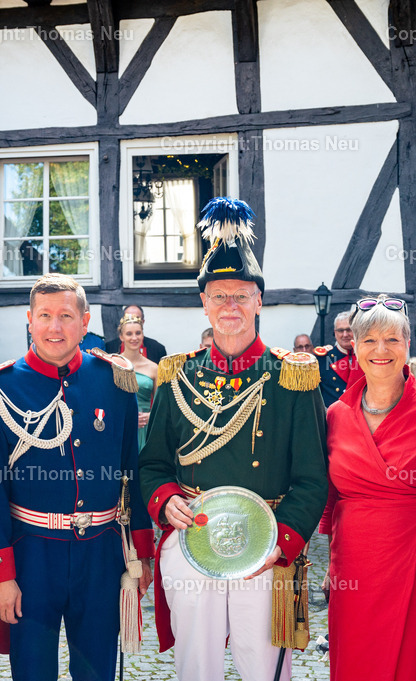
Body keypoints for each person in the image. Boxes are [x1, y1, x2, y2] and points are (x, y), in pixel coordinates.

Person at [140, 197, 328, 681]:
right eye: (219, 295)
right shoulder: (177, 376)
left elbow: (312, 477)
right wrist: (164, 502)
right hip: (191, 539)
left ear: (259, 301)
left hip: (266, 552)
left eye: (241, 295)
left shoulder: (293, 377)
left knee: (265, 672)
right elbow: (153, 465)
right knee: (195, 670)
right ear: (203, 302)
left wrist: (280, 543)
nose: (230, 305)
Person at [0, 273, 153, 681]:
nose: (55, 327)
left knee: (97, 672)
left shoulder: (115, 381)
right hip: (31, 554)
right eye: (46, 316)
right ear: (30, 320)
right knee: (33, 672)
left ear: (85, 323)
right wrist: (0, 573)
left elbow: (130, 475)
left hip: (101, 556)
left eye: (66, 316)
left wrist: (139, 554)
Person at [319, 295, 416, 681]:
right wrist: (330, 568)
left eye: (392, 340)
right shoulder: (335, 415)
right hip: (353, 561)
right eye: (369, 340)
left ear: (407, 346)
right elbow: (330, 500)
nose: (380, 350)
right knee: (358, 662)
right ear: (355, 346)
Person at [117, 314, 157, 450]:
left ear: (143, 335)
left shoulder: (154, 368)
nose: (134, 338)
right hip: (121, 425)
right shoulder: (112, 365)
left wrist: (150, 416)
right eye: (129, 334)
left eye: (138, 333)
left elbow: (161, 405)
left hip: (145, 428)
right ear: (121, 337)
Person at [315, 310, 361, 407]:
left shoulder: (366, 356)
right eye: (340, 330)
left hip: (361, 415)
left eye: (349, 330)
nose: (345, 335)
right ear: (335, 333)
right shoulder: (322, 359)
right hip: (333, 416)